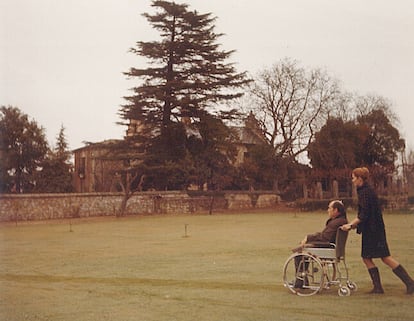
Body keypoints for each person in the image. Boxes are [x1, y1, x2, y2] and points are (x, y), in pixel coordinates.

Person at [341, 167, 414, 294]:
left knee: (378, 257)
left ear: (359, 178)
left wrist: (350, 225)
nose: (352, 181)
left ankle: (404, 284)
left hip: (373, 230)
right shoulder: (366, 190)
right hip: (375, 229)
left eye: (353, 178)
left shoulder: (365, 192)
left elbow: (364, 214)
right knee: (377, 257)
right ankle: (390, 286)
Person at [293, 200, 348, 288]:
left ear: (336, 210)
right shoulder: (340, 221)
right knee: (302, 249)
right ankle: (302, 280)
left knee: (299, 253)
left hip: (327, 247)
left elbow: (324, 238)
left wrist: (308, 238)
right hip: (333, 248)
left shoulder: (336, 223)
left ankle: (300, 280)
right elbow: (324, 236)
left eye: (329, 208)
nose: (328, 210)